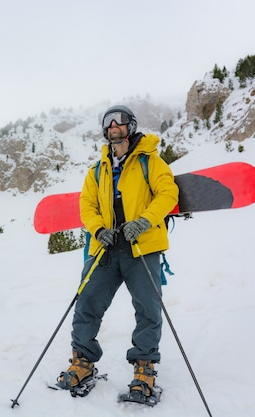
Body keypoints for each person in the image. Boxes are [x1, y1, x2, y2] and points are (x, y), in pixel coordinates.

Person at [56, 104, 179, 402]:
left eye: (120, 120)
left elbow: (168, 193)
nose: (114, 125)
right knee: (87, 302)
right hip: (106, 249)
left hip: (141, 247)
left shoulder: (151, 161)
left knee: (148, 309)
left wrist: (144, 221)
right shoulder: (97, 170)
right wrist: (99, 230)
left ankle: (144, 369)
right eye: (108, 122)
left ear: (131, 126)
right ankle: (83, 362)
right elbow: (87, 206)